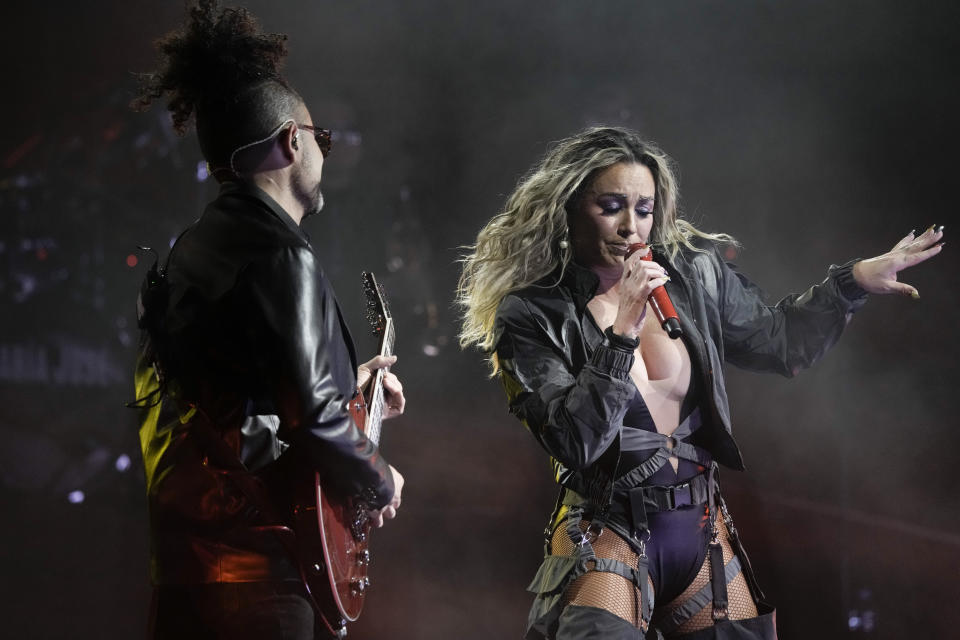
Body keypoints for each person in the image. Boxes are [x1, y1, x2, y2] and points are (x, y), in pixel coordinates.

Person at [457, 126, 943, 639]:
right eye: (611, 206)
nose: (631, 227)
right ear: (572, 208)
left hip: (699, 525)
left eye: (643, 209)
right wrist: (622, 330)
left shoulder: (692, 276)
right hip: (607, 531)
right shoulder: (533, 312)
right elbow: (576, 440)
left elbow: (779, 343)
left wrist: (851, 283)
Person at [128, 2, 405, 638]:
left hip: (186, 572)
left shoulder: (195, 247)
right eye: (321, 140)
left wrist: (350, 382)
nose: (323, 153)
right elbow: (309, 416)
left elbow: (238, 402)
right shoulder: (282, 252)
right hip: (260, 574)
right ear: (291, 140)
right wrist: (378, 474)